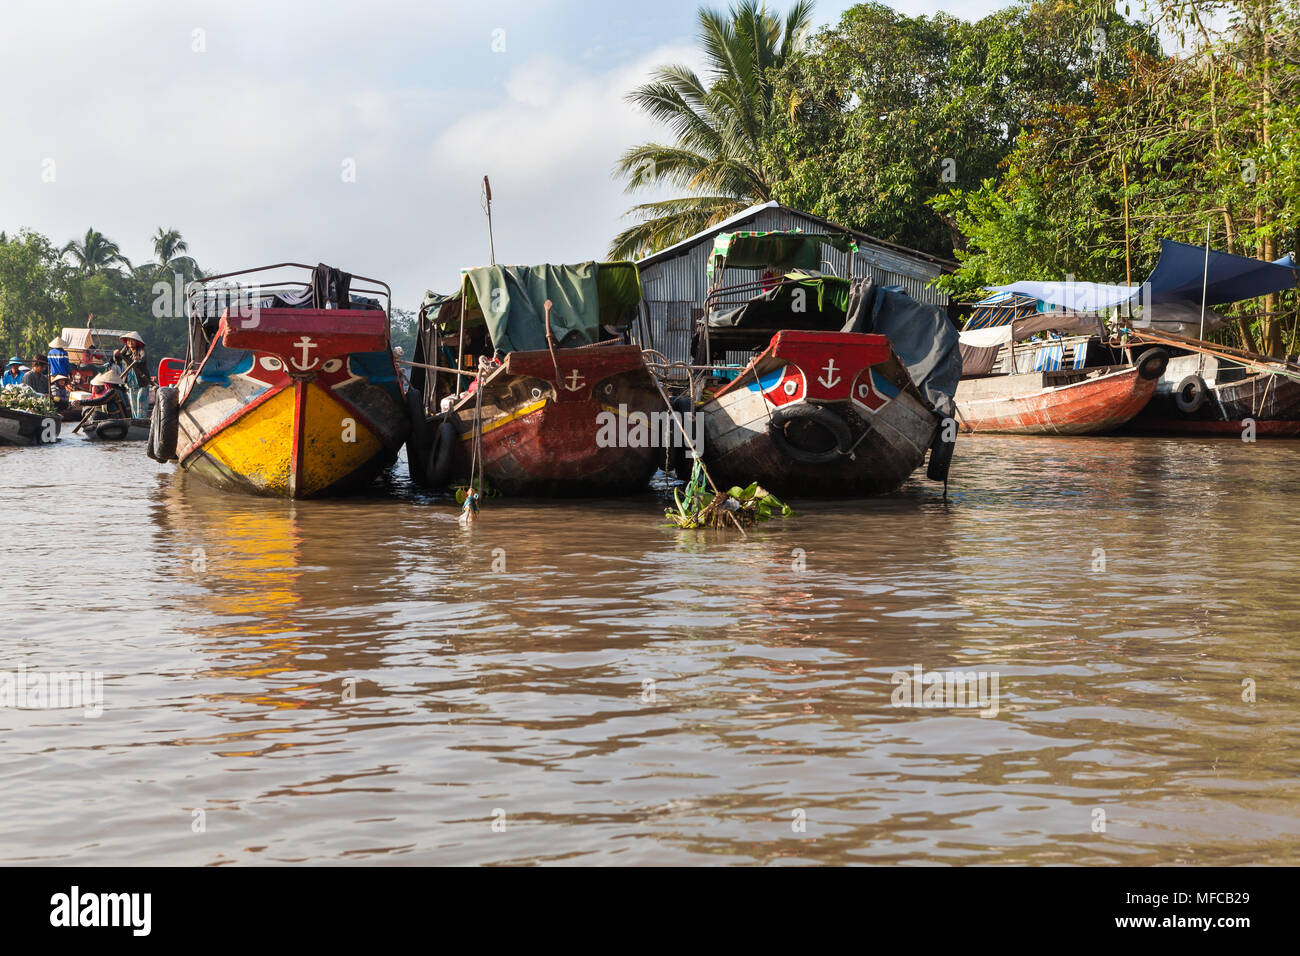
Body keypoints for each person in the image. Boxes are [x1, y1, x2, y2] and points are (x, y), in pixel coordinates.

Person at [112, 331, 151, 419]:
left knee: (141, 400)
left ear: (137, 342)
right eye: (129, 341)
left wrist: (138, 359)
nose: (130, 343)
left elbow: (143, 357)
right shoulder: (126, 349)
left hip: (141, 380)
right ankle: (135, 420)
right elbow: (118, 359)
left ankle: (142, 419)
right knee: (133, 402)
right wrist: (116, 354)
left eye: (132, 341)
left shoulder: (140, 349)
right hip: (131, 380)